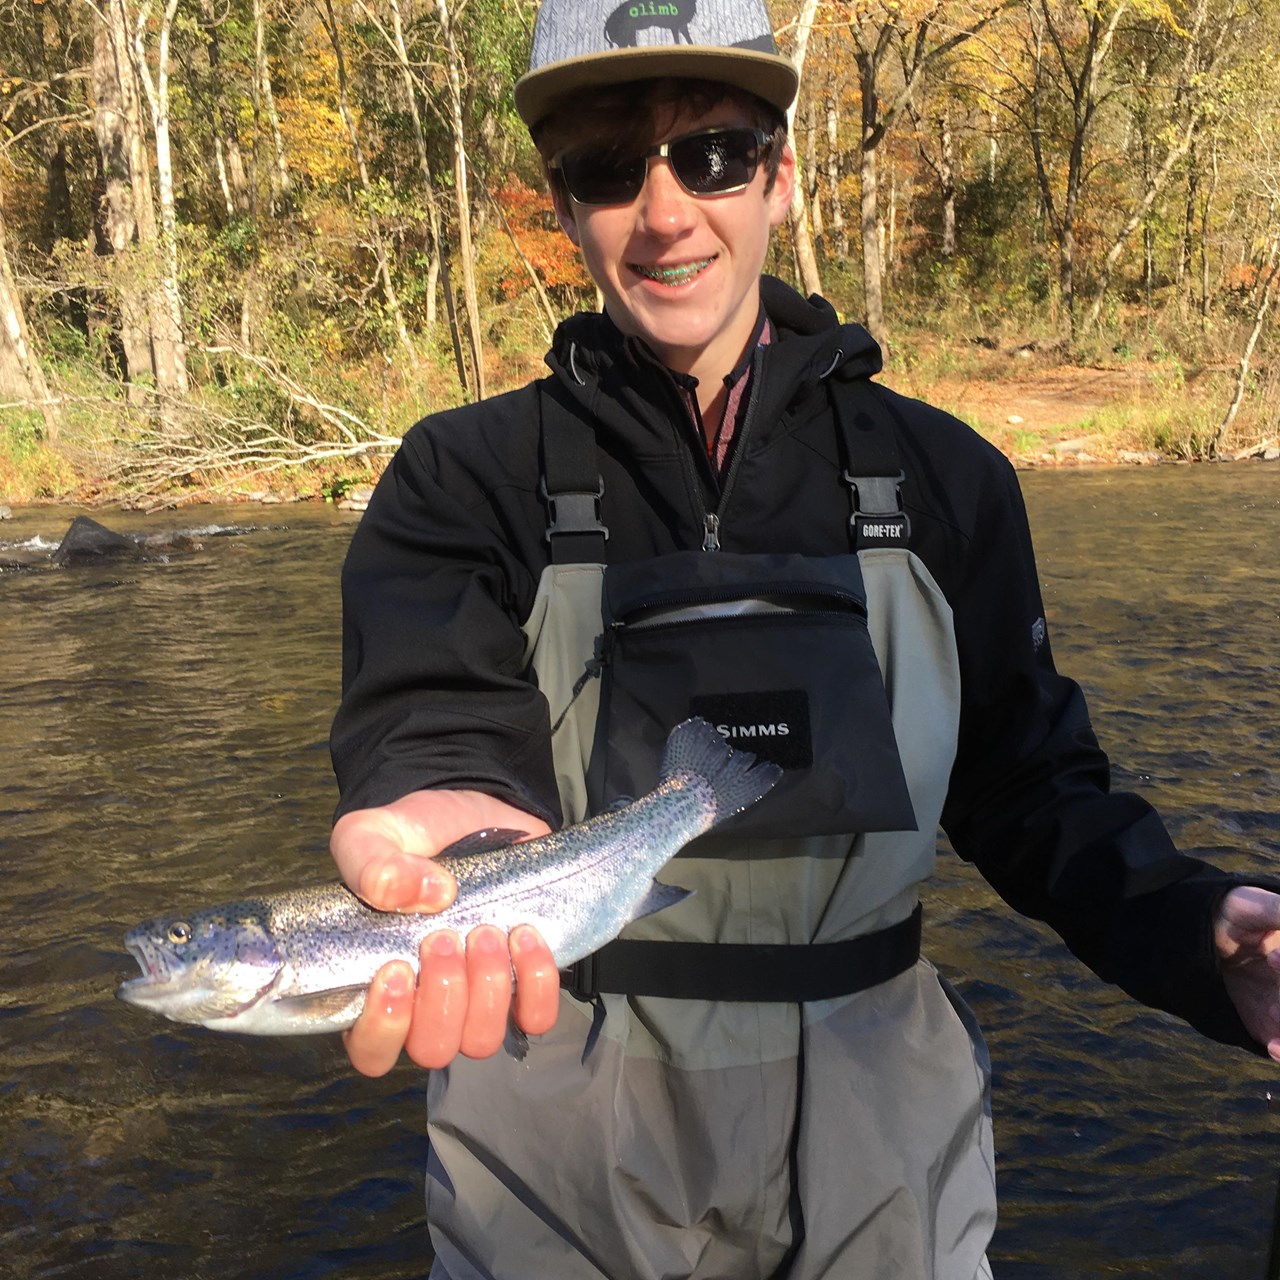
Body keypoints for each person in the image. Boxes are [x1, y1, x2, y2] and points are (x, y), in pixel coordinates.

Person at [328, 0, 1280, 1274]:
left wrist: (1193, 927)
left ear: (778, 172)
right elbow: (430, 717)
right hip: (550, 1099)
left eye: (710, 155)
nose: (664, 212)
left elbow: (1030, 787)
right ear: (562, 208)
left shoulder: (945, 476)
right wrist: (446, 819)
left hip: (879, 1112)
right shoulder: (462, 477)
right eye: (610, 169)